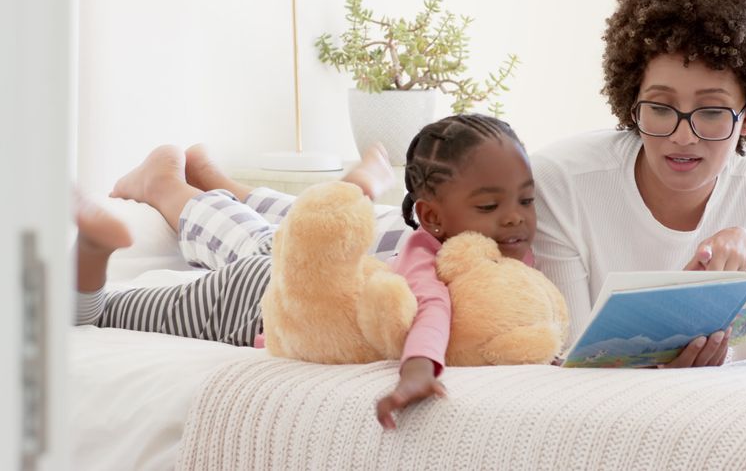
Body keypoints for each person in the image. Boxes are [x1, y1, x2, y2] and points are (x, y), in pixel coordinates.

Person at [76, 113, 537, 430]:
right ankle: (155, 194)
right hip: (257, 299)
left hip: (318, 274)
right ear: (432, 216)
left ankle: (227, 186)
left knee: (298, 236)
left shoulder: (502, 253)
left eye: (527, 200)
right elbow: (430, 310)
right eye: (491, 205)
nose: (517, 217)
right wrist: (418, 369)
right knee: (101, 313)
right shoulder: (426, 252)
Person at [531, 0, 746, 368]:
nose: (682, 136)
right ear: (631, 101)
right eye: (660, 107)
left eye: (711, 111)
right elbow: (567, 358)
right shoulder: (560, 182)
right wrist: (661, 366)